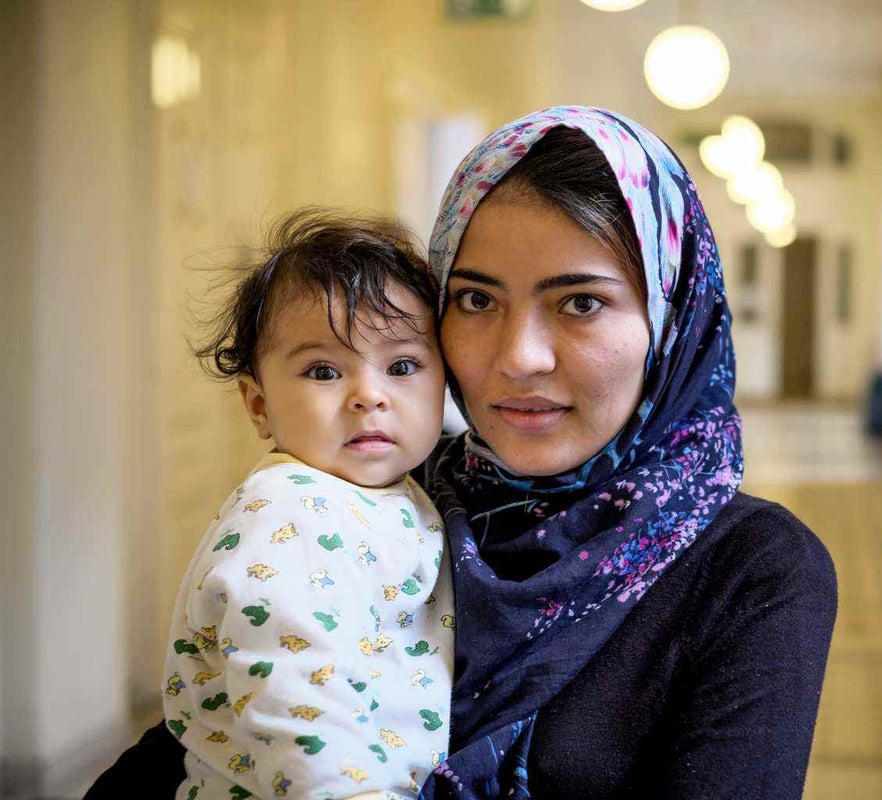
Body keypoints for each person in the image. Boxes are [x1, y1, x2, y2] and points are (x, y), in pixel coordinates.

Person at [86, 106, 836, 800]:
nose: (518, 357)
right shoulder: (384, 497)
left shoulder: (752, 568)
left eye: (580, 302)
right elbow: (209, 737)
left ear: (673, 321)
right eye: (476, 299)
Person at [162, 211, 454, 800]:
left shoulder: (396, 492)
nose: (369, 395)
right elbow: (294, 695)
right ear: (259, 404)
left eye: (402, 367)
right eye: (323, 371)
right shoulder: (289, 511)